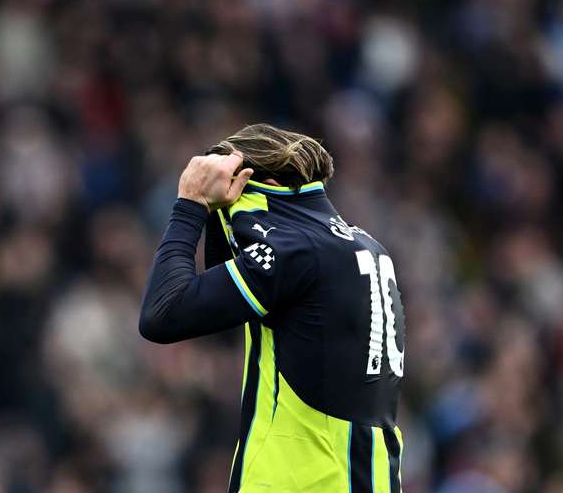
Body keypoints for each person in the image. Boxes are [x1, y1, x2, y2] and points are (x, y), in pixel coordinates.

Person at [139, 124, 406, 492]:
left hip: (303, 477)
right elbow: (221, 295)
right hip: (367, 477)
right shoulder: (364, 246)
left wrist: (189, 205)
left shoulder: (295, 251)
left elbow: (162, 314)